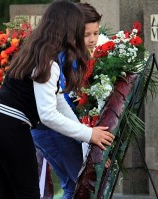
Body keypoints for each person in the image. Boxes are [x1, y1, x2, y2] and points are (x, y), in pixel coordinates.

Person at [0, 1, 114, 199]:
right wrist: (89, 134)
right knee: (27, 194)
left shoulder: (36, 52)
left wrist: (86, 137)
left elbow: (58, 102)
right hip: (8, 128)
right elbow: (47, 114)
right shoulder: (48, 62)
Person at [31, 3, 104, 199]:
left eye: (96, 33)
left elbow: (60, 100)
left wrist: (85, 133)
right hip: (51, 130)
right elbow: (54, 106)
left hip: (56, 128)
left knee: (73, 186)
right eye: (85, 34)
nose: (92, 40)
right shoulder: (55, 58)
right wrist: (86, 133)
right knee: (80, 187)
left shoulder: (59, 53)